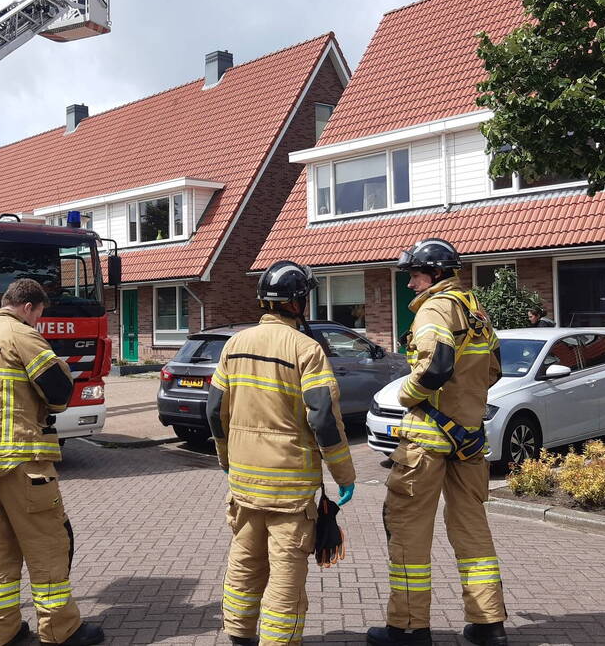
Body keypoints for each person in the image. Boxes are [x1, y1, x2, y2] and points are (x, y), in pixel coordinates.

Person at [0, 279, 104, 646]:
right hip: (18, 460)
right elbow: (59, 393)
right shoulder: (21, 335)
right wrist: (60, 366)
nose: (39, 322)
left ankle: (2, 631)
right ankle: (61, 630)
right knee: (48, 544)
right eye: (40, 315)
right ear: (29, 307)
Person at [207, 260, 357, 646]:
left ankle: (239, 634)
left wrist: (226, 459)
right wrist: (344, 475)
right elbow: (323, 418)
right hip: (290, 490)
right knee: (286, 574)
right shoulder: (306, 350)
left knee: (243, 562)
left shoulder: (234, 345)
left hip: (243, 483)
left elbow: (214, 409)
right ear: (298, 302)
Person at [367, 239, 508, 646]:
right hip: (469, 441)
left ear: (437, 273)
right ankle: (488, 625)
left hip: (426, 443)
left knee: (408, 527)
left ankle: (409, 627)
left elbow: (436, 366)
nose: (411, 283)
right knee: (472, 530)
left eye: (415, 274)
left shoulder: (434, 307)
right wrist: (465, 400)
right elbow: (494, 369)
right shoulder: (474, 309)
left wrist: (407, 395)